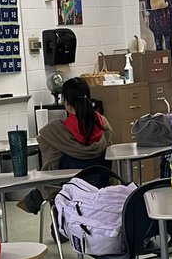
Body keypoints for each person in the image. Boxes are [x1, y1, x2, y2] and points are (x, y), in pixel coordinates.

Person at [18, 77, 110, 214]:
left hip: (67, 192)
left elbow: (50, 166)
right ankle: (33, 199)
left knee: (51, 175)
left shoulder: (54, 130)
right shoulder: (103, 124)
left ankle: (33, 200)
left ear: (66, 103)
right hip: (99, 187)